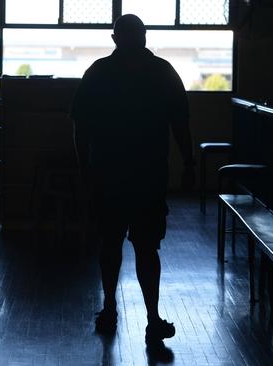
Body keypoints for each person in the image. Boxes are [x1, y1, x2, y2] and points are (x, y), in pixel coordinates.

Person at [71, 14, 195, 346]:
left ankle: (109, 308)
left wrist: (85, 168)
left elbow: (80, 127)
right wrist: (190, 163)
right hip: (149, 174)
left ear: (115, 39)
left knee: (110, 243)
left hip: (108, 173)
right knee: (147, 247)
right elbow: (180, 125)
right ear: (143, 36)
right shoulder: (162, 72)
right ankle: (152, 318)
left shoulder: (98, 72)